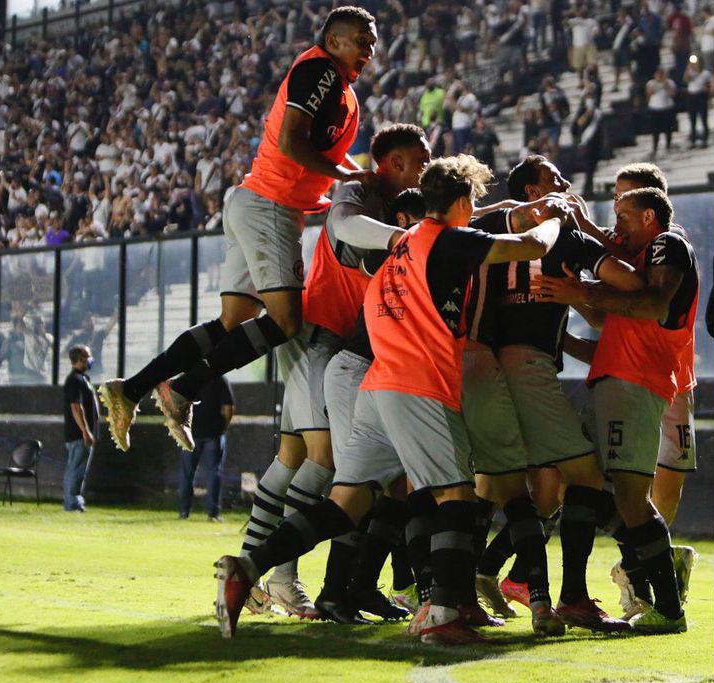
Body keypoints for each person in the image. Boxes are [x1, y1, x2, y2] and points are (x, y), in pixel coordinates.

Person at [213, 155, 565, 644]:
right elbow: (530, 246)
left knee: (345, 504)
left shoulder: (401, 248)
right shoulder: (447, 240)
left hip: (376, 387)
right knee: (456, 495)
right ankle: (443, 614)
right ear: (462, 202)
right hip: (417, 385)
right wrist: (554, 218)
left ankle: (248, 566)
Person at [98, 6, 378, 454]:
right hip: (271, 205)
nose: (370, 50)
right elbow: (290, 141)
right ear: (334, 40)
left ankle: (132, 389)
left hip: (254, 201)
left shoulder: (337, 85)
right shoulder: (321, 71)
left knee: (234, 320)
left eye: (373, 43)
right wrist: (348, 176)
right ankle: (182, 389)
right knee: (285, 321)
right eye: (362, 41)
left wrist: (353, 172)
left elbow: (314, 148)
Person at [240, 124, 431, 622]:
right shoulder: (360, 193)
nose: (426, 168)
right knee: (331, 466)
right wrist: (401, 236)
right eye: (420, 160)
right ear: (393, 162)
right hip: (324, 340)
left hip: (336, 344)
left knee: (296, 457)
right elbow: (344, 226)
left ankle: (260, 573)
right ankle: (280, 578)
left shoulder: (390, 208)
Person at [531, 186, 694, 634]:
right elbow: (606, 318)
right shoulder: (638, 261)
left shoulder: (667, 244)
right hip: (614, 380)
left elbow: (653, 302)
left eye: (623, 216)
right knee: (585, 486)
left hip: (636, 382)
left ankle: (668, 608)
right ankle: (580, 596)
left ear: (649, 217)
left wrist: (580, 288)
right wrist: (569, 302)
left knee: (629, 498)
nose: (616, 226)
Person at [179, 377, 234, 521]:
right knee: (214, 472)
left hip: (190, 433)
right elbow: (228, 407)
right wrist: (223, 427)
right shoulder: (219, 379)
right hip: (214, 433)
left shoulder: (186, 378)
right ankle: (213, 513)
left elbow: (175, 405)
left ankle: (184, 512)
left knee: (187, 473)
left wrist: (180, 428)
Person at [64, 344, 97, 513]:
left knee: (76, 469)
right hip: (78, 435)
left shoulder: (82, 379)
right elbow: (76, 407)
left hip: (79, 434)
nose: (90, 359)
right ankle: (73, 503)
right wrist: (85, 431)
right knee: (76, 470)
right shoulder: (75, 380)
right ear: (80, 359)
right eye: (88, 356)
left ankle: (72, 501)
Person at [647, 67, 678, 157]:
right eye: (658, 74)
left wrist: (665, 85)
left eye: (661, 74)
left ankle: (668, 145)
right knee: (655, 130)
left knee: (668, 128)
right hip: (655, 108)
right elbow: (649, 93)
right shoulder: (651, 83)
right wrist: (656, 83)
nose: (660, 76)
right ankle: (655, 147)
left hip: (667, 108)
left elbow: (672, 94)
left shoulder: (670, 82)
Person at [684, 56, 712, 148]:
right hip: (692, 95)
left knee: (703, 118)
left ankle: (705, 139)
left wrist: (709, 98)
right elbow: (685, 79)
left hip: (701, 95)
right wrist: (688, 68)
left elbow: (708, 86)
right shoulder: (690, 72)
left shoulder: (705, 73)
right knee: (692, 119)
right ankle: (693, 140)